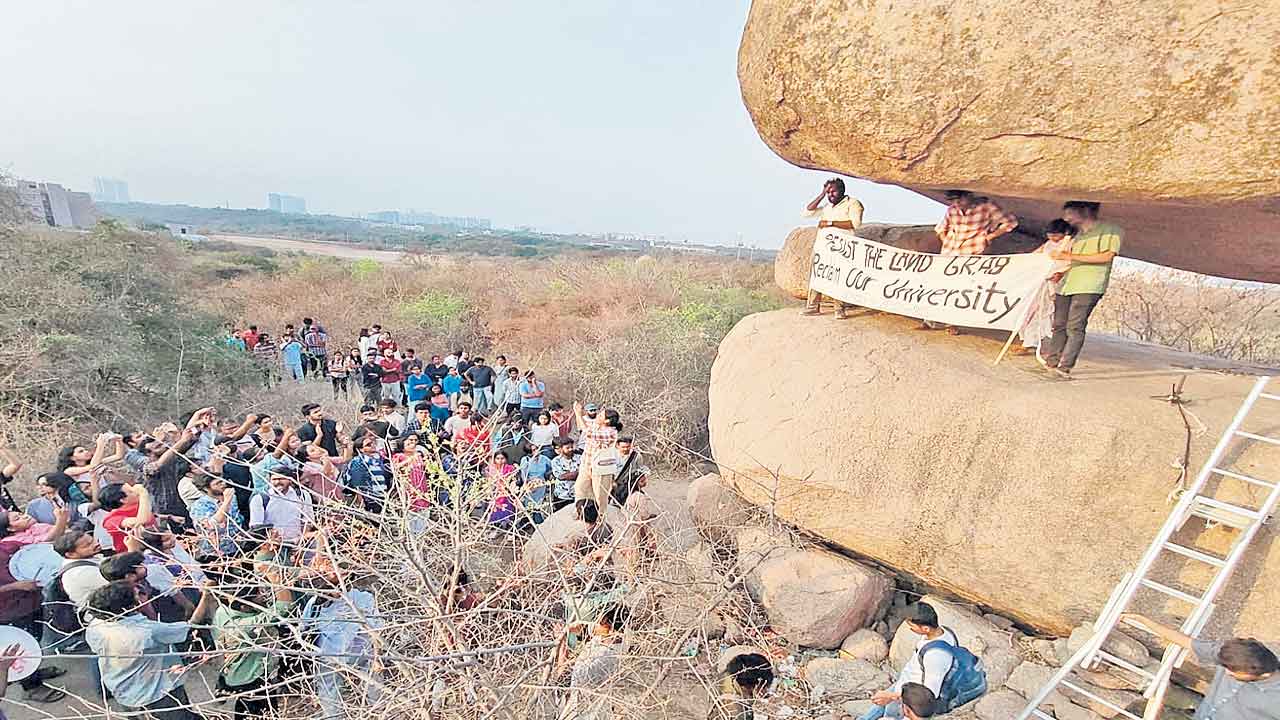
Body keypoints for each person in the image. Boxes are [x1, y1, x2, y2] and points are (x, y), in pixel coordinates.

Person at [84, 580, 215, 719]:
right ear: (128, 606)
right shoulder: (147, 631)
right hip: (157, 692)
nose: (141, 596)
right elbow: (191, 627)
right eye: (137, 595)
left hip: (123, 689)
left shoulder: (95, 626)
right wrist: (206, 597)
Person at [1120, 613, 1278, 720]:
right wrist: (1144, 621)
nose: (1227, 672)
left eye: (1233, 672)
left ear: (1262, 674)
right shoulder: (1238, 656)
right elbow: (1187, 642)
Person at [859, 602, 986, 720]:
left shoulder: (936, 657)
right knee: (879, 704)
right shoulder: (944, 632)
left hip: (908, 696)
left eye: (911, 625)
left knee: (889, 714)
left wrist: (893, 697)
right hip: (906, 682)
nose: (909, 628)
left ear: (925, 628)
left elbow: (928, 695)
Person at [1041, 201, 1123, 379]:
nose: (1066, 218)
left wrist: (1069, 256)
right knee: (1059, 324)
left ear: (1085, 211)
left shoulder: (1111, 230)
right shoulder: (1074, 234)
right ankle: (1051, 362)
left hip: (1089, 284)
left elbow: (1106, 256)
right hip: (1067, 282)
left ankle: (1065, 367)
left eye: (1070, 214)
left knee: (1075, 326)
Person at [0, 507, 70, 703]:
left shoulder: (9, 545)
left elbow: (43, 544)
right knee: (20, 646)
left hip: (28, 602)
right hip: (8, 610)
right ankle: (31, 687)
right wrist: (16, 585)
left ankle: (34, 672)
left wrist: (61, 521)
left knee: (34, 638)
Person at [926, 190, 1019, 334]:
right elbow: (941, 228)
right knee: (940, 285)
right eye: (953, 201)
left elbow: (1010, 222)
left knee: (962, 289)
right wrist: (946, 241)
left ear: (968, 196)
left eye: (959, 200)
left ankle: (953, 323)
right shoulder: (952, 210)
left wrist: (990, 236)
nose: (957, 203)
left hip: (972, 251)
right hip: (949, 253)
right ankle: (930, 319)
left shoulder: (986, 206)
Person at [213, 567, 297, 720]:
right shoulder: (245, 625)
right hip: (251, 679)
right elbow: (285, 605)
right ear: (244, 606)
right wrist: (275, 577)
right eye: (257, 595)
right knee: (261, 713)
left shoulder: (223, 611)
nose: (262, 596)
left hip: (236, 675)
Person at [802, 178, 865, 319]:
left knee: (839, 277)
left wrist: (830, 223)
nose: (830, 195)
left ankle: (839, 308)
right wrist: (821, 195)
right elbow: (807, 212)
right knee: (817, 274)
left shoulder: (853, 203)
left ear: (842, 190)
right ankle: (812, 307)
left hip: (842, 249)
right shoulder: (827, 206)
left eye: (833, 191)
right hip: (823, 248)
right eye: (828, 192)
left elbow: (856, 224)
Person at [558, 603, 628, 720]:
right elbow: (587, 628)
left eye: (599, 620)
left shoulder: (602, 658)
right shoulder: (618, 638)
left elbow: (562, 675)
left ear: (607, 624)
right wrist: (573, 628)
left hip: (582, 712)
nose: (595, 624)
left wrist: (562, 644)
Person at [574, 402, 620, 519]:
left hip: (601, 468)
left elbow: (587, 432)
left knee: (600, 495)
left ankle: (600, 516)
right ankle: (581, 512)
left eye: (601, 415)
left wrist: (578, 414)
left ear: (607, 421)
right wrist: (578, 414)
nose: (598, 416)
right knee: (580, 488)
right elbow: (582, 427)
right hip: (587, 464)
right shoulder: (597, 426)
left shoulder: (610, 432)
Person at [249, 465, 314, 543]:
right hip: (272, 545)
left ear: (290, 480)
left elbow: (308, 521)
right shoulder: (260, 499)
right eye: (274, 479)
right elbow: (256, 526)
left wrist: (302, 540)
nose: (277, 482)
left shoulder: (302, 495)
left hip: (297, 542)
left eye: (281, 479)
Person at [188, 473, 245, 557]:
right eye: (217, 483)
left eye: (222, 481)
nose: (223, 485)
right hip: (216, 552)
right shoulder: (200, 506)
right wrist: (226, 502)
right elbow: (212, 524)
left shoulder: (232, 498)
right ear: (206, 488)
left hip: (237, 546)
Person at [712, 651, 775, 720]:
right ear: (748, 687)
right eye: (764, 687)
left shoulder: (729, 675)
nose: (765, 690)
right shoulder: (739, 713)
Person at [550, 439, 581, 512]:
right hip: (562, 495)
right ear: (561, 449)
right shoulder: (556, 461)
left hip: (576, 494)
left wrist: (569, 475)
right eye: (567, 448)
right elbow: (561, 477)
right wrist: (577, 473)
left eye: (571, 447)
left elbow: (584, 473)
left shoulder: (580, 458)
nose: (570, 449)